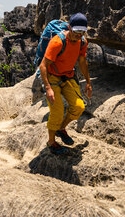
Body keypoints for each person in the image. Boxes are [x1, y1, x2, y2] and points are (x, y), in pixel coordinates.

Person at [39, 13, 92, 154]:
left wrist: (88, 82)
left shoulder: (82, 42)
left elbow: (82, 62)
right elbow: (43, 65)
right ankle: (51, 142)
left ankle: (61, 129)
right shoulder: (57, 42)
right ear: (69, 27)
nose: (78, 35)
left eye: (82, 32)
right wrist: (48, 88)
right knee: (57, 112)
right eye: (76, 32)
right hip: (53, 78)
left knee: (79, 106)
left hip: (67, 77)